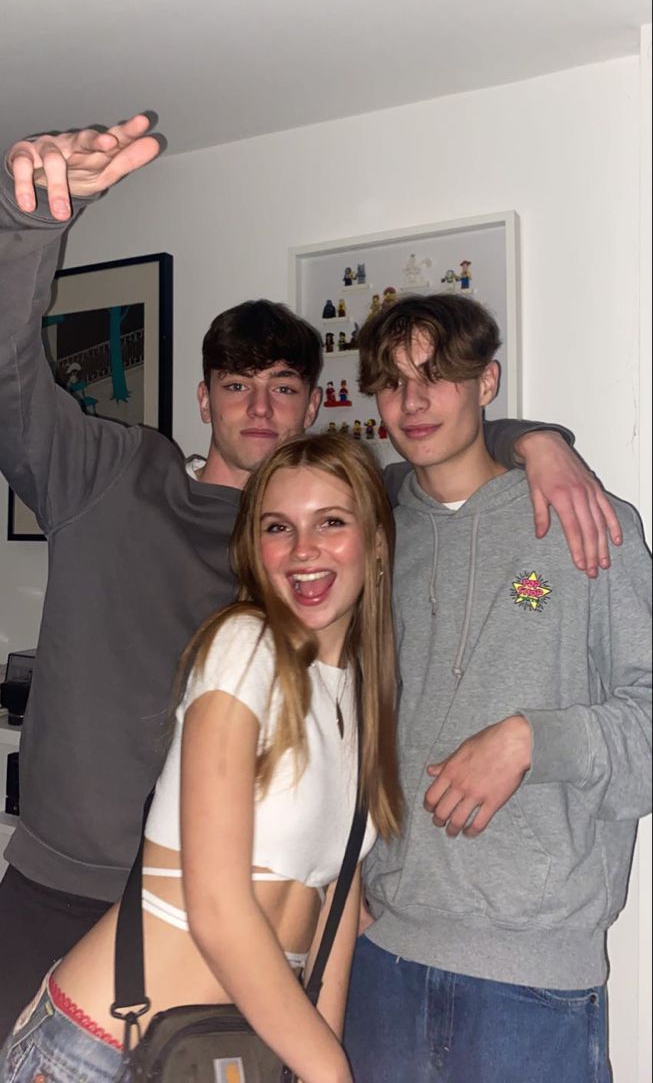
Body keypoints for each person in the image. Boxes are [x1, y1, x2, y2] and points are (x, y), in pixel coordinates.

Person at [0, 115, 620, 1034]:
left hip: (244, 921)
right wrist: (29, 229)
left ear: (311, 403)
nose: (258, 405)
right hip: (65, 889)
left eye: (282, 385)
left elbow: (444, 450)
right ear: (203, 396)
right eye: (236, 384)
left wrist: (529, 442)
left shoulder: (343, 527)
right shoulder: (110, 478)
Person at [0, 432, 403, 1082]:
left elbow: (335, 921)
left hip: (218, 1057)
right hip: (103, 1052)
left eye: (330, 522)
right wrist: (330, 1070)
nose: (303, 550)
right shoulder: (244, 647)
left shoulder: (359, 696)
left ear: (377, 543)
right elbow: (217, 908)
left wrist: (314, 1062)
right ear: (254, 547)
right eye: (278, 527)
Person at [344, 293, 652, 1083]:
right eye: (390, 382)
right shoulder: (368, 535)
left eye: (436, 376)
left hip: (532, 981)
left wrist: (530, 740)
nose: (411, 403)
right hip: (379, 958)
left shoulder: (590, 520)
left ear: (488, 383)